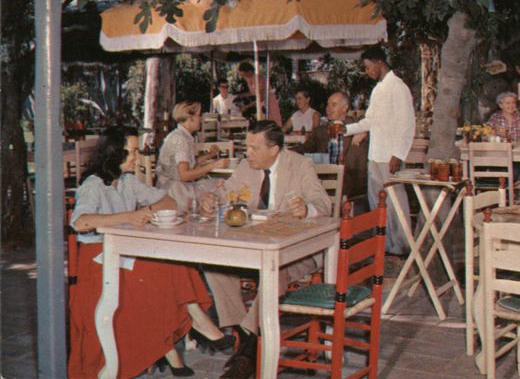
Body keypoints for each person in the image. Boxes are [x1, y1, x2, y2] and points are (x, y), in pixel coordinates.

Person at [68, 127, 233, 378]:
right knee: (160, 269)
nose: (137, 156)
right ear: (115, 154)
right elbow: (80, 222)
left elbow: (168, 201)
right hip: (96, 259)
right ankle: (194, 326)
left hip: (123, 251)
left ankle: (195, 321)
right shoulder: (93, 185)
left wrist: (149, 212)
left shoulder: (127, 181)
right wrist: (130, 217)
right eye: (132, 151)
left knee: (176, 262)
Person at [199, 120, 332, 379]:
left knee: (275, 273)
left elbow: (323, 203)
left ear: (274, 149)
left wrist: (307, 209)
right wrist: (212, 199)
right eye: (247, 147)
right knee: (213, 265)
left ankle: (247, 348)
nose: (247, 153)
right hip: (254, 246)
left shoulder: (299, 165)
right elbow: (225, 193)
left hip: (296, 250)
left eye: (254, 148)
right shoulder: (246, 167)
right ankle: (245, 331)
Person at [343, 46, 415, 255]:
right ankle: (384, 243)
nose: (367, 72)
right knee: (377, 201)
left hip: (389, 155)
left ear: (378, 62)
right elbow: (369, 122)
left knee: (395, 203)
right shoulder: (378, 89)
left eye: (367, 67)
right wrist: (344, 129)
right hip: (375, 154)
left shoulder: (398, 87)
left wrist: (399, 154)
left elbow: (407, 123)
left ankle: (402, 245)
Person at [295, 91, 369, 211]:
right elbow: (304, 149)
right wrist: (284, 151)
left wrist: (364, 132)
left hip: (350, 176)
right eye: (328, 105)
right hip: (325, 175)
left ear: (345, 108)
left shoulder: (357, 126)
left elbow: (377, 126)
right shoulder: (320, 131)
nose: (328, 109)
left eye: (333, 105)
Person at [155, 101, 228, 210]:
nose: (201, 119)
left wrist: (210, 155)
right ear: (190, 118)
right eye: (199, 116)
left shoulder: (181, 135)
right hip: (173, 192)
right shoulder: (181, 140)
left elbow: (189, 163)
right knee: (220, 188)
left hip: (173, 187)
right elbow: (185, 175)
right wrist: (213, 166)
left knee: (218, 185)